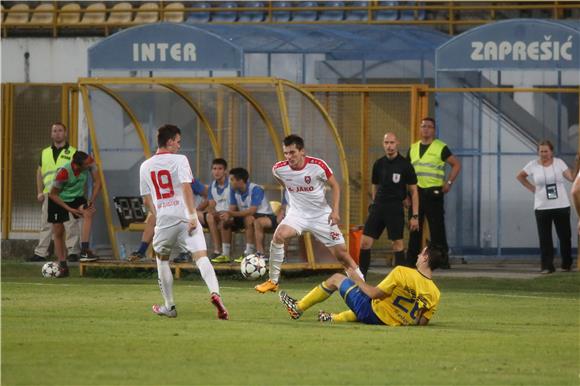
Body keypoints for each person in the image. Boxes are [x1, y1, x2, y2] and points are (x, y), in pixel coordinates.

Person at [139, 124, 228, 319]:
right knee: (201, 257)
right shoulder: (180, 160)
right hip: (186, 217)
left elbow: (147, 199)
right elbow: (187, 188)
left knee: (162, 260)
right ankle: (215, 293)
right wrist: (192, 215)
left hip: (165, 219)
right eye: (178, 142)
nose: (179, 146)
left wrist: (159, 213)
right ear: (170, 142)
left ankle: (169, 306)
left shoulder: (145, 166)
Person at [255, 134, 365, 294]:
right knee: (279, 235)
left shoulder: (318, 166)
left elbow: (335, 186)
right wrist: (287, 206)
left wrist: (335, 211)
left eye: (292, 152)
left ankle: (364, 288)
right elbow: (285, 186)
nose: (289, 157)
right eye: (286, 153)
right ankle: (273, 281)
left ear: (302, 152)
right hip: (297, 214)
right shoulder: (279, 169)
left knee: (342, 256)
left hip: (321, 216)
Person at [279, 243, 443, 326]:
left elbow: (373, 294)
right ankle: (331, 318)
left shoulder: (402, 272)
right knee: (367, 304)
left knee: (336, 278)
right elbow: (421, 323)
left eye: (422, 253)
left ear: (425, 258)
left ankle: (297, 308)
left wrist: (355, 278)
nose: (418, 254)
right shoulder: (435, 293)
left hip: (373, 313)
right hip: (393, 322)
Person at [359, 132, 419, 277]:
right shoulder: (378, 164)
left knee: (397, 245)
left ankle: (401, 280)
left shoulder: (405, 165)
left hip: (395, 209)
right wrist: (374, 202)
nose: (389, 146)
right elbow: (375, 185)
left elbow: (414, 192)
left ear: (397, 143)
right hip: (378, 207)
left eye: (392, 143)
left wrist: (415, 216)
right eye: (386, 143)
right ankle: (361, 279)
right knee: (364, 243)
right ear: (383, 144)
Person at [406, 117, 461, 268]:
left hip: (434, 193)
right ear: (419, 128)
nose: (426, 129)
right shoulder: (413, 148)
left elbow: (456, 164)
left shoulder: (440, 147)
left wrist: (449, 182)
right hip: (416, 193)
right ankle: (411, 262)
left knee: (437, 229)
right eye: (423, 126)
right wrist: (406, 195)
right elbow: (406, 172)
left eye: (429, 127)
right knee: (414, 228)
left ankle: (441, 261)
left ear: (434, 130)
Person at [516, 140, 575, 273]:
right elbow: (520, 176)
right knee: (545, 238)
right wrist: (532, 188)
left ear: (551, 152)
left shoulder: (559, 163)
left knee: (565, 236)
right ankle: (547, 266)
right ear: (538, 152)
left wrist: (576, 165)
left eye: (546, 151)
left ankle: (566, 263)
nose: (543, 154)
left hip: (561, 205)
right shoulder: (532, 165)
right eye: (541, 151)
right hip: (542, 206)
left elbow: (571, 178)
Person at [29, 122, 81, 262]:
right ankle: (41, 252)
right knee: (46, 223)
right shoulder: (45, 153)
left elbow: (79, 174)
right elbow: (39, 173)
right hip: (49, 194)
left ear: (65, 133)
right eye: (54, 131)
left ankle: (73, 252)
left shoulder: (73, 152)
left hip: (67, 194)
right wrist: (40, 192)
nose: (57, 133)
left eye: (59, 130)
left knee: (70, 223)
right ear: (51, 134)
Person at [48, 151, 102, 277]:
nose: (91, 165)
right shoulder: (63, 172)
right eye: (87, 164)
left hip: (76, 197)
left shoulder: (90, 164)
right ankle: (62, 265)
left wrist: (91, 200)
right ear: (78, 166)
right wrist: (69, 209)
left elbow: (98, 183)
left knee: (88, 211)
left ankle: (84, 249)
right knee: (58, 231)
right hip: (58, 199)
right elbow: (52, 194)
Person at [128, 177, 207, 263]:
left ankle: (186, 252)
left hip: (189, 212)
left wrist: (197, 209)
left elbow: (207, 196)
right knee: (152, 219)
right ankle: (141, 251)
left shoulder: (188, 179)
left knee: (184, 216)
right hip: (172, 211)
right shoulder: (165, 180)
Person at [218, 167, 277, 263]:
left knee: (249, 219)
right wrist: (227, 215)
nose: (230, 182)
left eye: (232, 179)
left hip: (263, 215)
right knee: (226, 221)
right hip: (244, 215)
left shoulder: (256, 189)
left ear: (240, 181)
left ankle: (249, 253)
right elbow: (232, 207)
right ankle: (225, 254)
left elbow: (252, 211)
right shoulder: (233, 190)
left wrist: (231, 213)